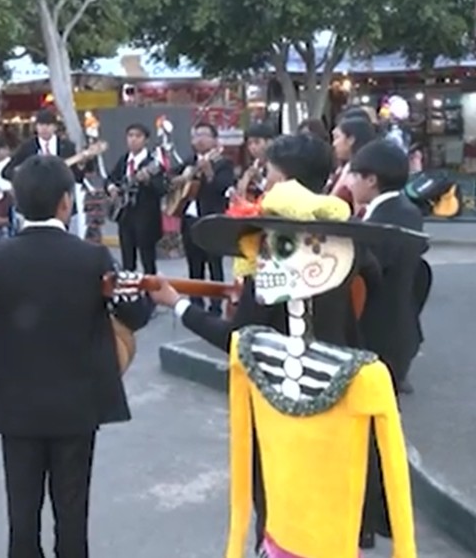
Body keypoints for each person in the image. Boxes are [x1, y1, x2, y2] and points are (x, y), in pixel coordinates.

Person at [149, 134, 378, 551]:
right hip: (339, 395)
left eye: (269, 174)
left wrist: (179, 305)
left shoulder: (277, 255)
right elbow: (370, 282)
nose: (263, 184)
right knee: (328, 508)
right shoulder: (346, 244)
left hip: (282, 405)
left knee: (279, 510)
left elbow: (240, 340)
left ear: (286, 182)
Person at [181, 182, 423, 558]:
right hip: (280, 529)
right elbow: (242, 462)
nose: (263, 264)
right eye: (262, 249)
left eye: (279, 248)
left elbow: (392, 471)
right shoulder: (252, 352)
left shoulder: (363, 376)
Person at [0, 155, 152, 558]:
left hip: (16, 406)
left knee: (22, 516)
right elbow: (135, 316)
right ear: (66, 202)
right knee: (72, 513)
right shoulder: (93, 258)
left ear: (17, 202)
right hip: (77, 405)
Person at [349, 139, 426, 395]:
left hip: (380, 336)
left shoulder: (384, 222)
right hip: (398, 332)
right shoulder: (405, 211)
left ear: (371, 180)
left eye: (354, 176)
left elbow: (370, 272)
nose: (349, 183)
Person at [174, 122, 234, 314]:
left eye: (204, 135)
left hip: (212, 220)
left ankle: (216, 305)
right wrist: (179, 180)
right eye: (196, 135)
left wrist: (208, 172)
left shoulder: (223, 163)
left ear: (215, 140)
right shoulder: (189, 161)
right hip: (190, 219)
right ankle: (195, 303)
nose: (199, 139)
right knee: (194, 264)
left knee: (215, 264)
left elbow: (224, 188)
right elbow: (171, 178)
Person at [106, 123, 167, 274]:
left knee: (148, 261)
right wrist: (111, 188)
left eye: (138, 136)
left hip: (146, 217)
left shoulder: (153, 163)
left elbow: (162, 189)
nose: (133, 139)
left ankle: (151, 288)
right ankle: (129, 287)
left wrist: (147, 181)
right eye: (130, 136)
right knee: (127, 260)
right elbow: (110, 179)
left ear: (146, 140)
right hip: (125, 216)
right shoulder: (124, 160)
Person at [327, 117, 377, 209]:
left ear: (351, 140)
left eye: (337, 137)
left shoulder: (360, 174)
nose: (334, 144)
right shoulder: (344, 168)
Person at [234, 121, 277, 202]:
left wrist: (260, 180)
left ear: (269, 142)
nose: (252, 147)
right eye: (249, 144)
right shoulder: (248, 167)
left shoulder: (278, 167)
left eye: (257, 142)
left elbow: (278, 194)